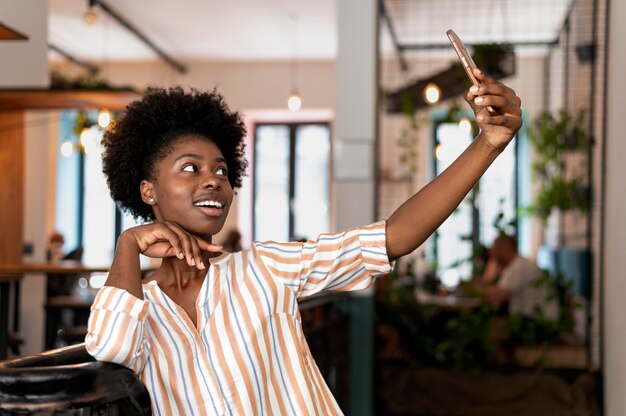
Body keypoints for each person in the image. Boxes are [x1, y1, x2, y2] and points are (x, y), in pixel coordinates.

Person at [85, 70, 522, 415]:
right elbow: (109, 346)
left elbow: (393, 237)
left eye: (221, 171)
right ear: (148, 191)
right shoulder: (142, 308)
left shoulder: (265, 268)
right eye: (190, 168)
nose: (214, 181)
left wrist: (489, 144)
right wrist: (128, 245)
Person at [475, 234, 557, 320]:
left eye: (494, 248)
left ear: (505, 249)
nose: (490, 253)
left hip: (539, 323)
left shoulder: (519, 267)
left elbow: (496, 297)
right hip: (532, 320)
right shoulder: (516, 265)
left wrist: (479, 285)